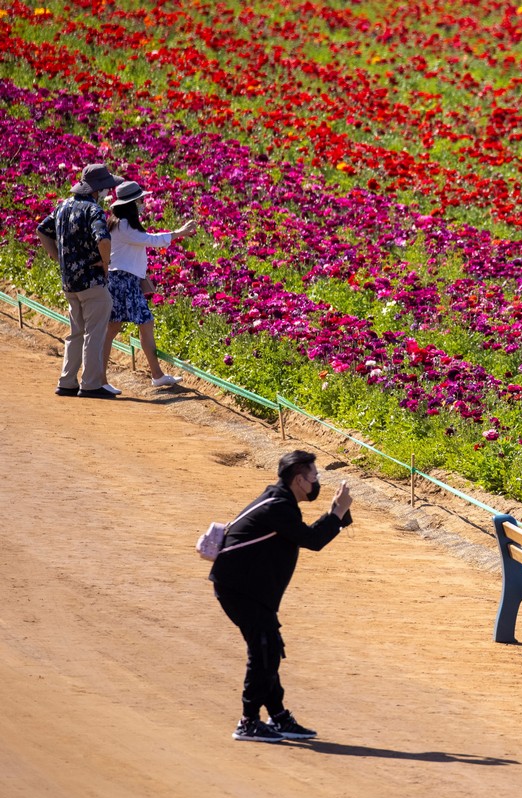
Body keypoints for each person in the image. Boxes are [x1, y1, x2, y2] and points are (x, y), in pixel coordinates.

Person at [210, 450, 353, 743]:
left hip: (249, 588)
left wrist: (335, 514)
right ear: (300, 480)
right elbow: (312, 540)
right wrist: (337, 512)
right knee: (264, 651)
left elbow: (305, 534)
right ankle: (248, 722)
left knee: (269, 648)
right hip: (239, 588)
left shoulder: (280, 500)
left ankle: (278, 717)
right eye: (315, 476)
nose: (317, 482)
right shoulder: (278, 506)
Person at [35, 163, 122, 398]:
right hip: (92, 281)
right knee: (94, 332)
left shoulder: (63, 207)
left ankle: (67, 381)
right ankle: (91, 384)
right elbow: (103, 240)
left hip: (70, 282)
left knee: (75, 332)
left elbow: (42, 230)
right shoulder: (93, 211)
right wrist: (105, 265)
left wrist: (57, 256)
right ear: (98, 190)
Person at [101, 180, 198, 390]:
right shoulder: (123, 225)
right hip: (122, 281)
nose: (144, 204)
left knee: (127, 325)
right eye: (140, 200)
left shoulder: (119, 223)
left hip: (125, 280)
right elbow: (150, 240)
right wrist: (179, 232)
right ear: (131, 204)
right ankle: (100, 378)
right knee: (122, 326)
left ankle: (155, 374)